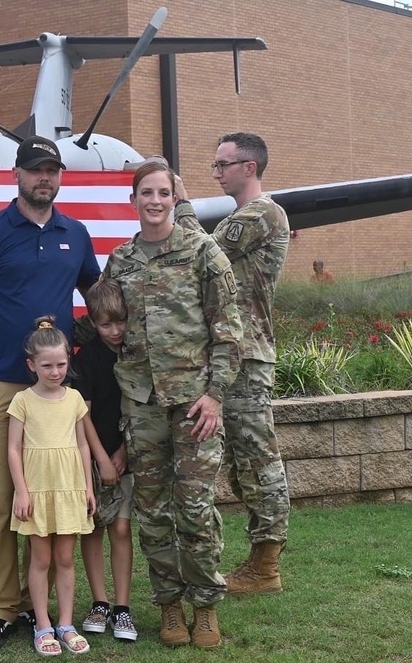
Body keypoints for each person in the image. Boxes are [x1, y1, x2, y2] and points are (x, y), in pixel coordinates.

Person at [0, 135, 100, 650]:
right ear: (17, 174)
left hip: (55, 394)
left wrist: (67, 346)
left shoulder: (75, 234)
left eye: (52, 170)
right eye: (36, 169)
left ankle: (54, 612)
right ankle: (0, 609)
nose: (45, 178)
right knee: (0, 502)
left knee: (54, 501)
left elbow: (96, 301)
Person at [103, 161, 242, 649]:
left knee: (196, 509)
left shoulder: (204, 252)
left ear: (173, 198)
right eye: (146, 193)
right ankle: (169, 607)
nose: (155, 201)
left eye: (163, 192)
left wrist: (215, 395)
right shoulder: (120, 260)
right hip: (141, 406)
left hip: (194, 407)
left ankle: (205, 606)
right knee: (152, 512)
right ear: (134, 200)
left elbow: (228, 332)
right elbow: (108, 326)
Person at [174, 132, 292, 596]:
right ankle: (259, 562)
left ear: (249, 167)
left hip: (246, 356)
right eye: (214, 164)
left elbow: (204, 252)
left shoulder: (263, 213)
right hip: (228, 355)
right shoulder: (242, 215)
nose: (216, 171)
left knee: (258, 458)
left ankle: (266, 568)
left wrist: (181, 205)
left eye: (223, 164)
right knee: (242, 462)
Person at [7, 316, 95, 656]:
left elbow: (83, 445)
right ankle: (43, 625)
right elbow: (13, 449)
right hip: (38, 490)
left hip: (69, 488)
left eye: (60, 364)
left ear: (67, 361)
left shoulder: (74, 398)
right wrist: (23, 491)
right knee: (40, 559)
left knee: (65, 558)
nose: (55, 371)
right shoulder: (22, 401)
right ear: (32, 365)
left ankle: (67, 624)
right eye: (47, 365)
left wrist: (87, 487)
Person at [71, 278, 137, 642]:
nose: (115, 331)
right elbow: (84, 416)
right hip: (93, 456)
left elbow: (142, 409)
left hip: (128, 453)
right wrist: (102, 460)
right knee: (94, 528)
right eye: (105, 324)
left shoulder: (136, 353)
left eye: (121, 321)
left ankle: (123, 608)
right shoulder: (89, 359)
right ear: (93, 324)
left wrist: (123, 453)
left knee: (122, 528)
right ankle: (100, 602)